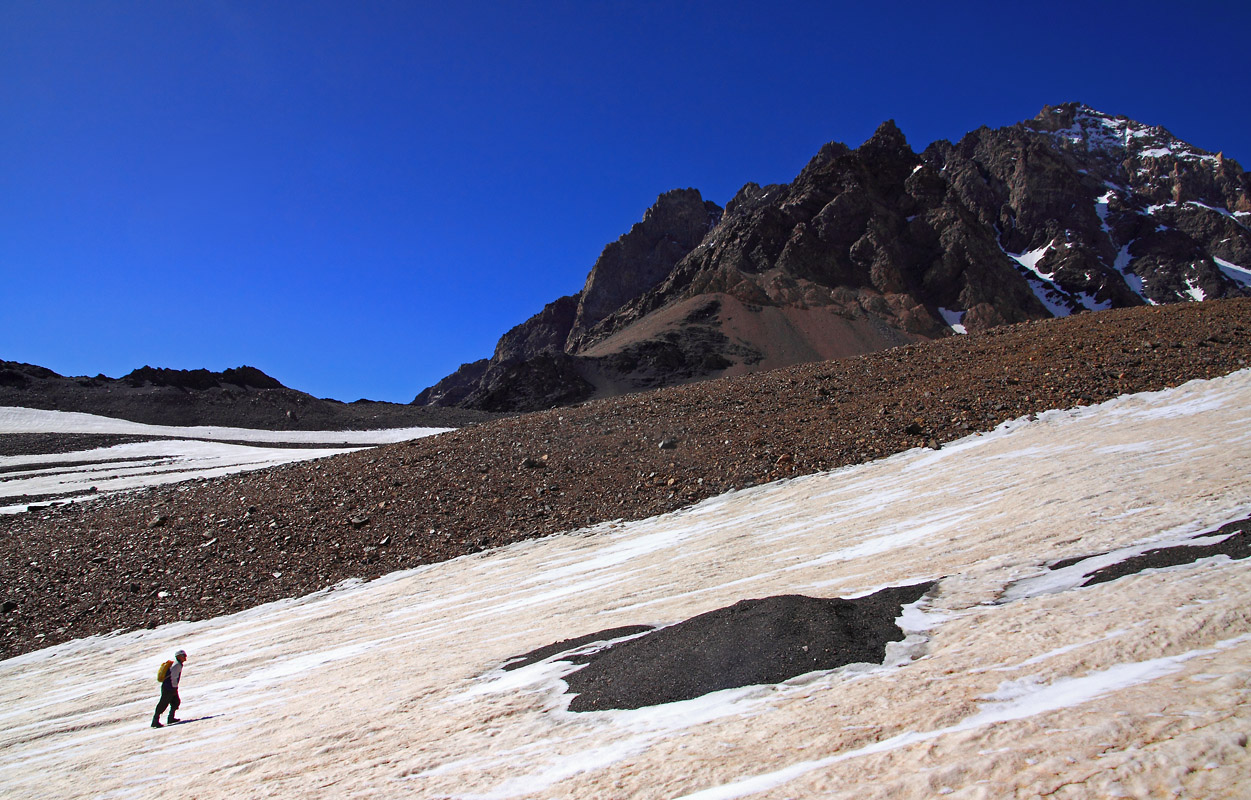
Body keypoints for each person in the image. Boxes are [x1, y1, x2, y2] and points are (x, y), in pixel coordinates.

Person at [152, 649, 188, 728]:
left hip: (170, 686)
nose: (185, 658)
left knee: (175, 702)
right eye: (184, 656)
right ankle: (155, 721)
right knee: (163, 703)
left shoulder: (178, 664)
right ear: (179, 657)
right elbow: (174, 677)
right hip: (169, 687)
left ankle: (170, 718)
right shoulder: (177, 665)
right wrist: (174, 688)